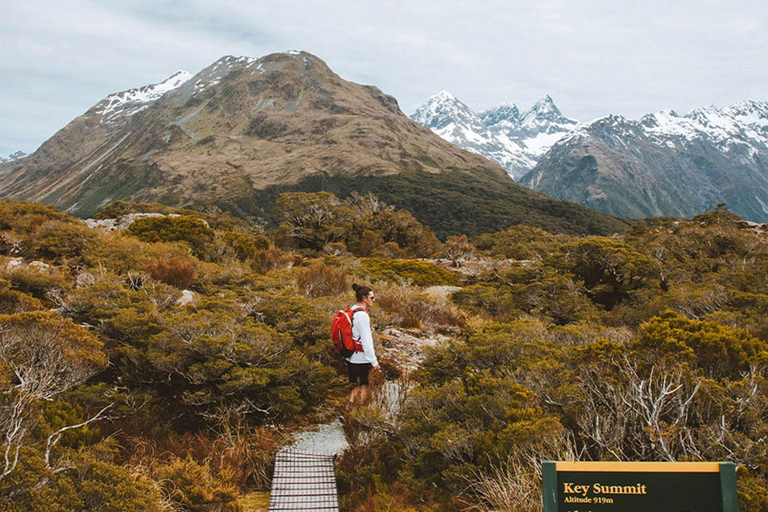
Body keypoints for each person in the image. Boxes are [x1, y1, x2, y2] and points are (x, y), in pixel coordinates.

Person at [343, 283, 380, 418]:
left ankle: (349, 408)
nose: (374, 300)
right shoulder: (363, 316)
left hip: (351, 356)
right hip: (362, 357)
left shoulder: (352, 309)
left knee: (357, 384)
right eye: (372, 297)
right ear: (364, 298)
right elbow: (367, 342)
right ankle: (358, 413)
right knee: (364, 385)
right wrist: (374, 362)